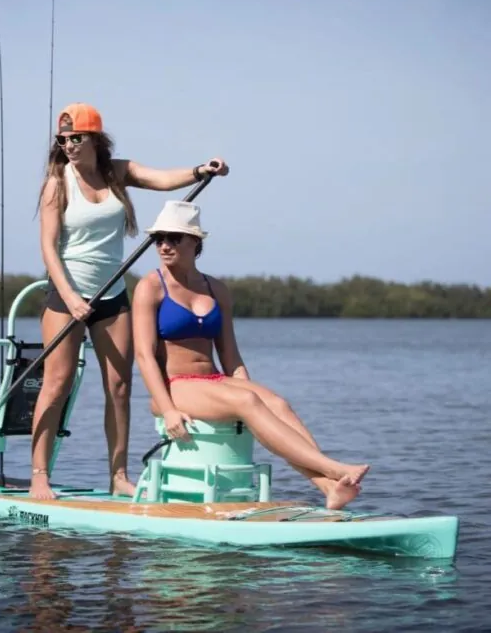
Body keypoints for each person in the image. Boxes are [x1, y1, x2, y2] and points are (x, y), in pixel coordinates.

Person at [32, 103, 229, 499]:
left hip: (112, 294)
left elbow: (160, 179)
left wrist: (199, 171)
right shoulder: (57, 183)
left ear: (95, 139)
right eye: (63, 139)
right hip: (66, 294)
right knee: (56, 384)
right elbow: (48, 248)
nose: (69, 145)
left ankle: (118, 475)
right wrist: (70, 297)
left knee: (120, 386)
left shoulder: (117, 172)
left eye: (77, 138)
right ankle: (39, 474)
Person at [132, 200, 371, 510]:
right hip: (175, 386)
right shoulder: (151, 287)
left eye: (173, 237)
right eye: (158, 238)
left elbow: (230, 354)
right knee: (247, 403)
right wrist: (167, 410)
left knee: (275, 403)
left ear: (194, 241)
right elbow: (144, 355)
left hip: (214, 381)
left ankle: (328, 488)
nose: (164, 245)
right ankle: (334, 469)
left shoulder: (216, 289)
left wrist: (246, 386)